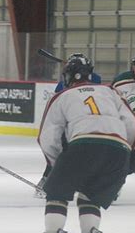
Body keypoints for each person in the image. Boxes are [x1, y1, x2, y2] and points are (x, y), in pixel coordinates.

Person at [27, 55, 135, 233]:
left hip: (85, 144)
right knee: (90, 196)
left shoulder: (62, 96)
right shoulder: (110, 91)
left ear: (68, 76)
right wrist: (131, 151)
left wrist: (57, 163)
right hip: (118, 150)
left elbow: (47, 137)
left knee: (57, 194)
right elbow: (132, 121)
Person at [35, 53, 102, 198]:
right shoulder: (90, 79)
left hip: (83, 124)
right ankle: (48, 179)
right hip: (80, 124)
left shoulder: (92, 79)